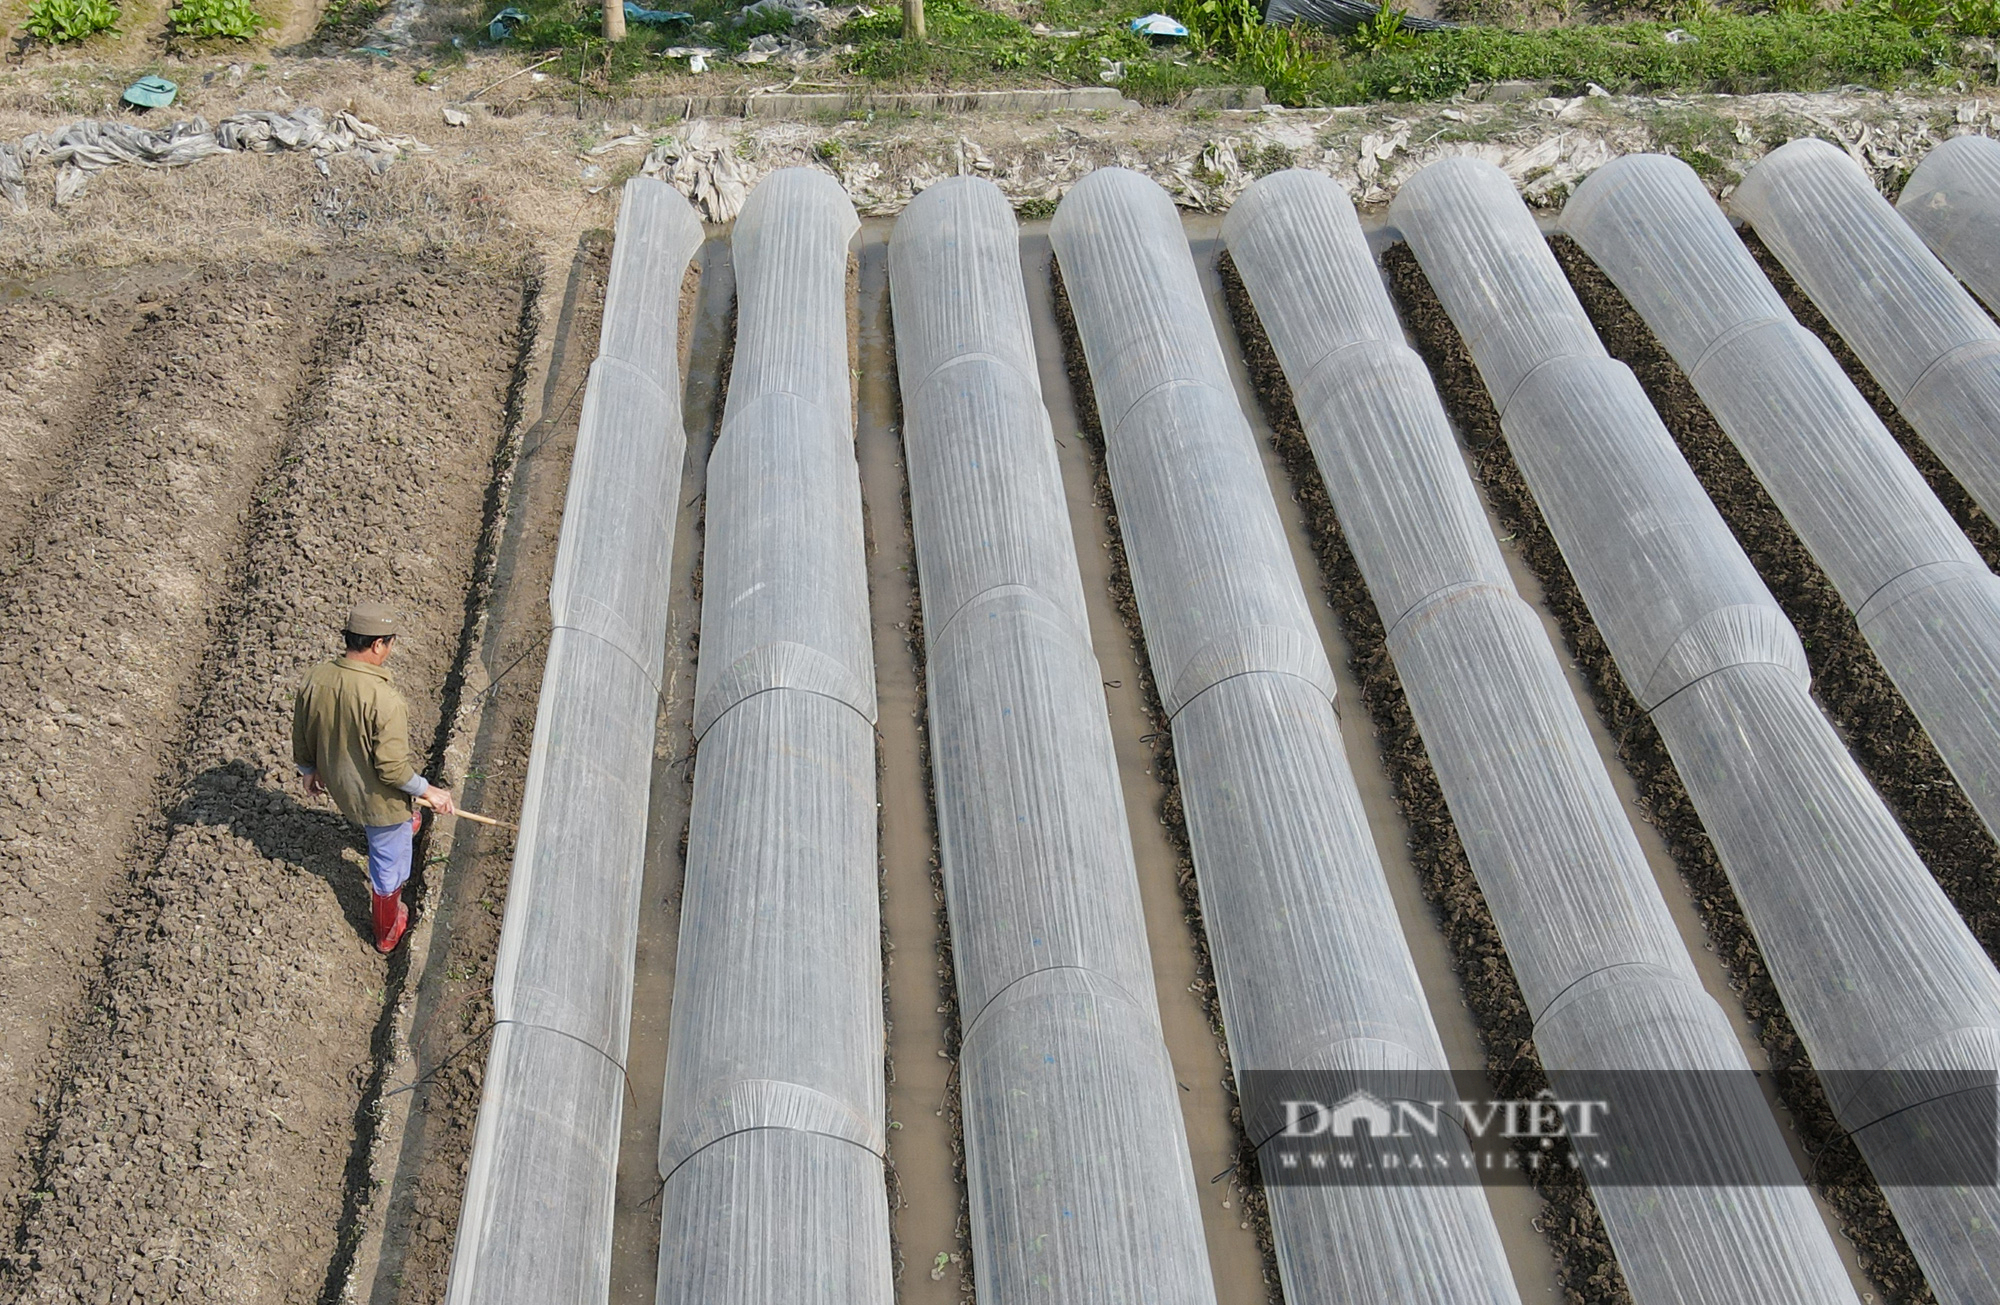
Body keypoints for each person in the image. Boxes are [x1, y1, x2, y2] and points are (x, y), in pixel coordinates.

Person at [291, 603, 455, 953]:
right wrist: (431, 792)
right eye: (390, 643)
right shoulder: (384, 700)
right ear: (379, 644)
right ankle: (387, 931)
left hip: (339, 782)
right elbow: (392, 770)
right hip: (377, 803)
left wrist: (308, 770)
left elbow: (302, 730)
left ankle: (406, 821)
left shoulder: (316, 677)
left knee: (393, 825)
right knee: (389, 867)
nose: (389, 650)